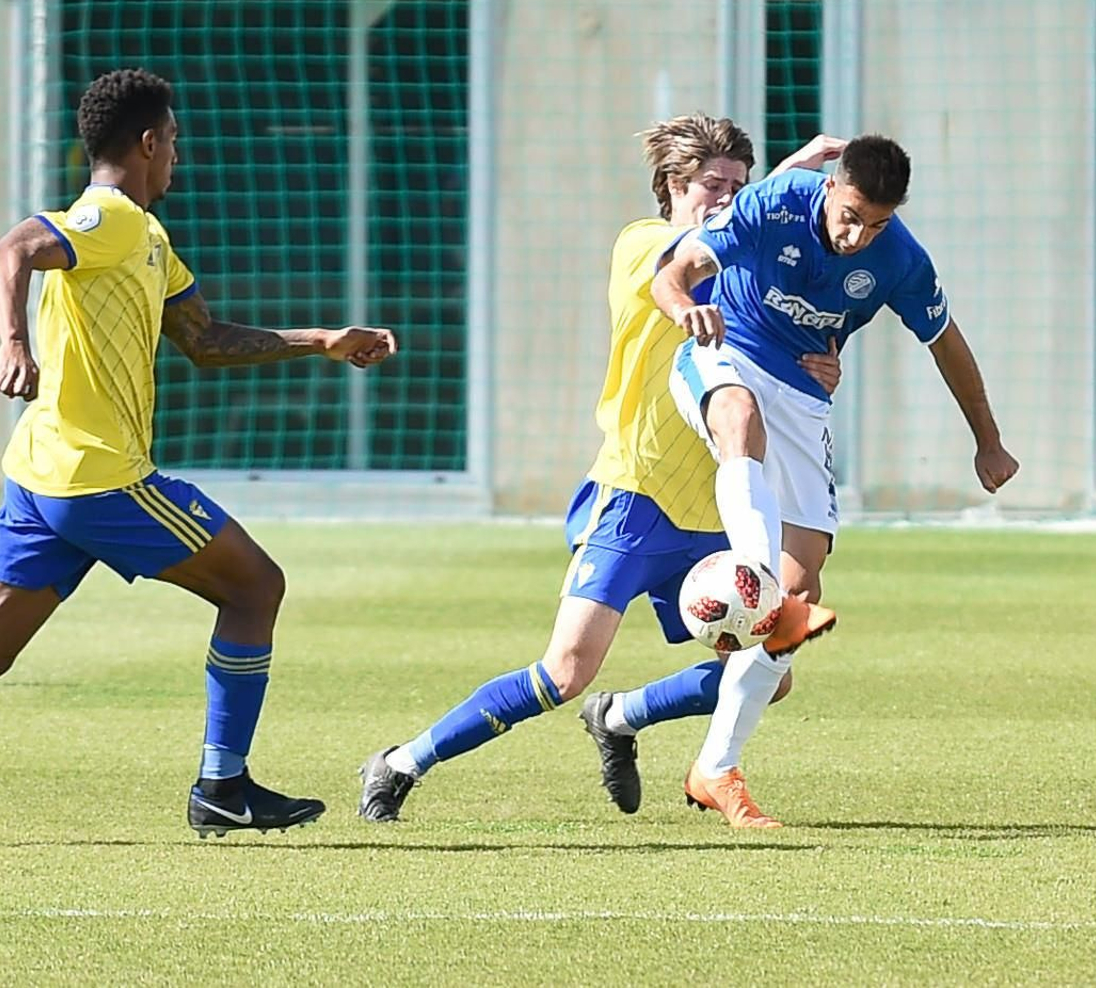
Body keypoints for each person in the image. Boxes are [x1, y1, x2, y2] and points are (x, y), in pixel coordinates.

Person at [0, 68, 397, 843]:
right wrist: (13, 340)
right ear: (149, 142)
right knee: (255, 585)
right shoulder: (111, 218)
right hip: (100, 478)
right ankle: (223, 783)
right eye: (175, 144)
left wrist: (321, 341)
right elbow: (8, 250)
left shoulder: (148, 238)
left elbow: (205, 340)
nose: (177, 160)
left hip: (46, 473)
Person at [355, 115, 841, 825]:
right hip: (636, 494)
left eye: (737, 185)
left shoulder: (753, 271)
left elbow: (783, 341)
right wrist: (792, 172)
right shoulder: (643, 245)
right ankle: (401, 762)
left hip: (714, 509)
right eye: (713, 184)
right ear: (675, 185)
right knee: (564, 670)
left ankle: (620, 715)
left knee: (773, 667)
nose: (724, 198)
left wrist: (821, 366)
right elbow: (710, 249)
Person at [622, 133, 1019, 826]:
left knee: (800, 596)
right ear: (832, 187)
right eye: (853, 213)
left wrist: (988, 441)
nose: (860, 233)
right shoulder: (775, 203)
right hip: (725, 354)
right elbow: (670, 273)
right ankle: (749, 570)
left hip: (805, 392)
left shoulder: (899, 259)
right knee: (740, 418)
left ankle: (715, 768)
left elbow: (947, 342)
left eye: (878, 222)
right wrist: (685, 308)